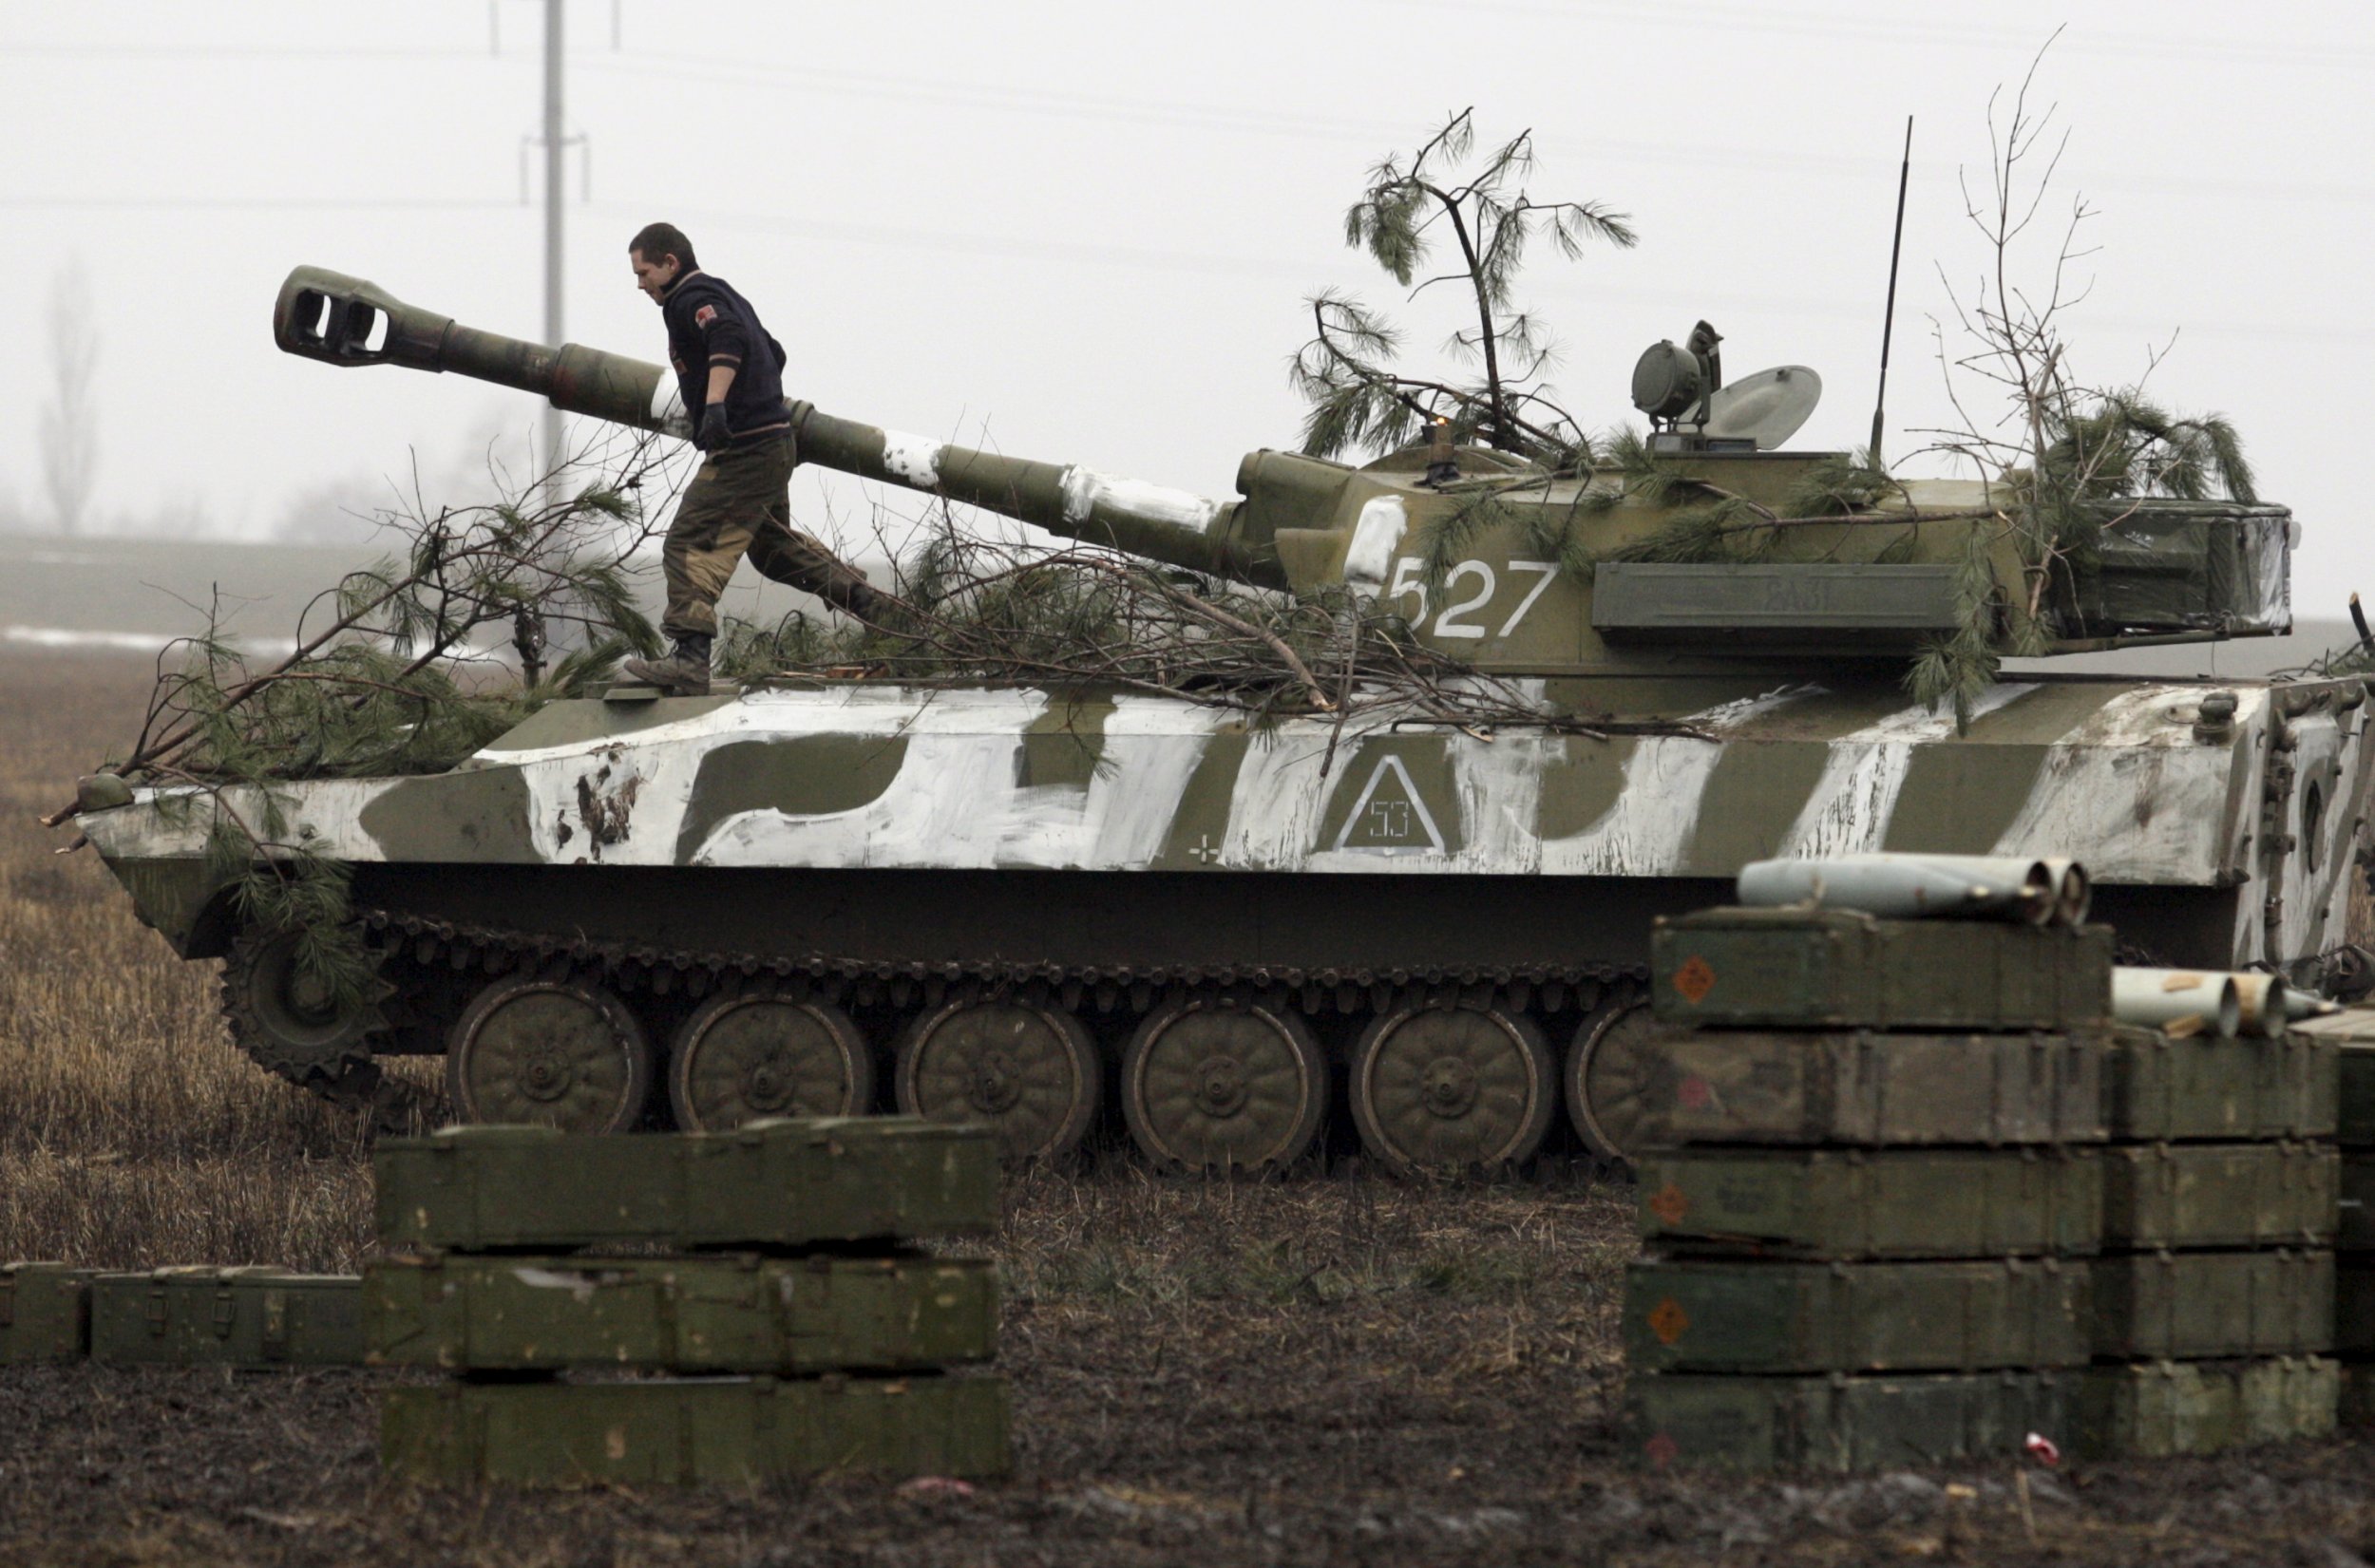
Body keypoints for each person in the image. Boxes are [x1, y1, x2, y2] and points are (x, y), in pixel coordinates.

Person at [620, 221, 880, 695]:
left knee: (687, 542)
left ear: (670, 264)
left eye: (644, 273)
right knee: (773, 551)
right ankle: (877, 609)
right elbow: (773, 352)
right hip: (773, 443)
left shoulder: (688, 298)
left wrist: (718, 405)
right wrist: (755, 397)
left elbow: (728, 338)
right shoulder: (723, 292)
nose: (641, 285)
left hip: (746, 448)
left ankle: (691, 659)